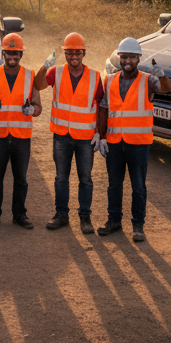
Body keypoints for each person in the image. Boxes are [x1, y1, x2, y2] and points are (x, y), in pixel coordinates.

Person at [97, 38, 170, 242]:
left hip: (138, 143)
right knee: (114, 185)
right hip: (114, 142)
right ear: (119, 58)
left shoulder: (148, 81)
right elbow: (104, 108)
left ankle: (138, 226)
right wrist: (101, 135)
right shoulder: (110, 80)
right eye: (124, 57)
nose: (127, 60)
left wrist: (162, 76)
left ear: (138, 59)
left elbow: (165, 88)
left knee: (138, 186)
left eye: (131, 57)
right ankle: (114, 221)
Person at [34, 32, 104, 233]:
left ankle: (85, 218)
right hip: (62, 136)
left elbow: (100, 107)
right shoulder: (54, 72)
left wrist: (100, 133)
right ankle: (61, 215)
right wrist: (44, 66)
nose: (74, 56)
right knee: (61, 178)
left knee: (86, 179)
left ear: (84, 53)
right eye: (70, 52)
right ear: (64, 53)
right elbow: (38, 85)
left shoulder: (95, 77)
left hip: (85, 138)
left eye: (78, 52)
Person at [0, 33, 41, 230]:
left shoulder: (31, 76)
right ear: (3, 53)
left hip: (21, 137)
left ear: (21, 54)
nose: (12, 57)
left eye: (16, 53)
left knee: (21, 179)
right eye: (9, 53)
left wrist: (31, 110)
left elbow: (38, 107)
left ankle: (20, 214)